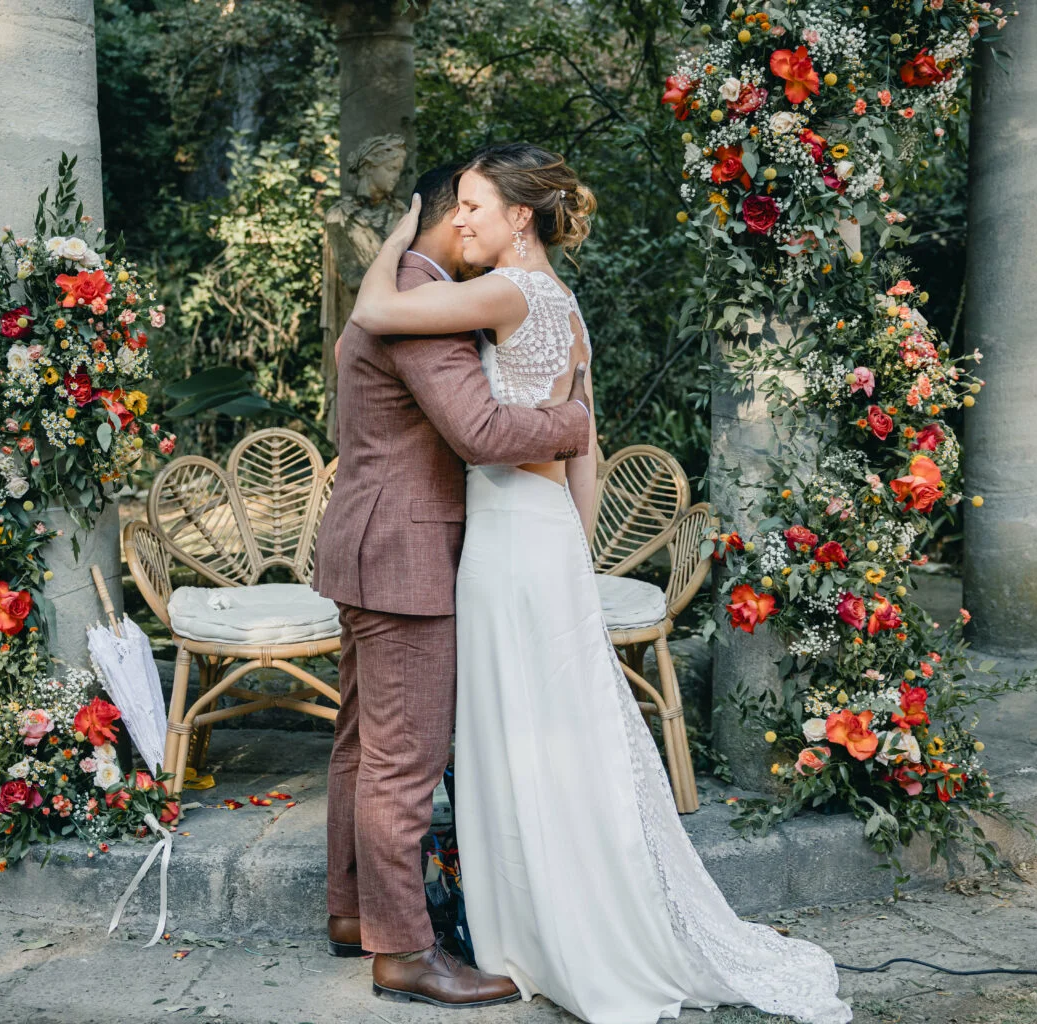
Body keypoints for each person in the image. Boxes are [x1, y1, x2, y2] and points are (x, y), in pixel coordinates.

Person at [348, 143, 853, 1024]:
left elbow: (377, 310)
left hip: (505, 543)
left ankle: (534, 927)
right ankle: (550, 917)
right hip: (538, 539)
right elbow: (589, 445)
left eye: (475, 204)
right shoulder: (566, 308)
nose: (461, 219)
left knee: (516, 737)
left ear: (520, 217)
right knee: (555, 733)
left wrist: (396, 229)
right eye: (454, 204)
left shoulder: (504, 293)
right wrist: (577, 555)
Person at [311, 163, 593, 1009]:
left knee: (364, 746)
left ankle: (355, 912)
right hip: (409, 559)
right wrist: (576, 420)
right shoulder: (422, 309)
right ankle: (404, 951)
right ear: (442, 216)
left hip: (371, 546)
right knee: (405, 763)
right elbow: (477, 429)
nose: (472, 227)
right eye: (464, 211)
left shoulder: (410, 288)